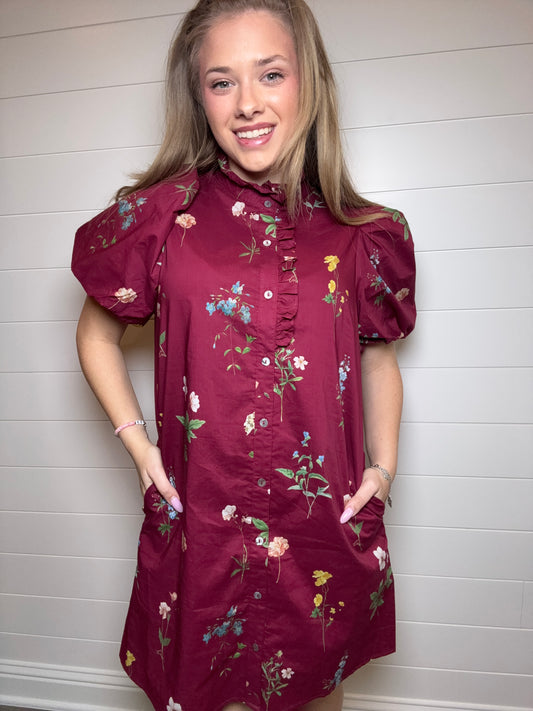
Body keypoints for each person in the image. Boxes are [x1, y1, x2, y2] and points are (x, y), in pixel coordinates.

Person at [72, 1, 416, 709]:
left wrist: (381, 471)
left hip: (319, 527)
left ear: (307, 79)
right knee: (204, 689)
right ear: (198, 96)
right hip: (202, 527)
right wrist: (139, 447)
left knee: (317, 694)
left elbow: (377, 356)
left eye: (271, 73)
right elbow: (96, 333)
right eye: (221, 81)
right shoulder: (162, 220)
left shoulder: (362, 234)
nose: (248, 103)